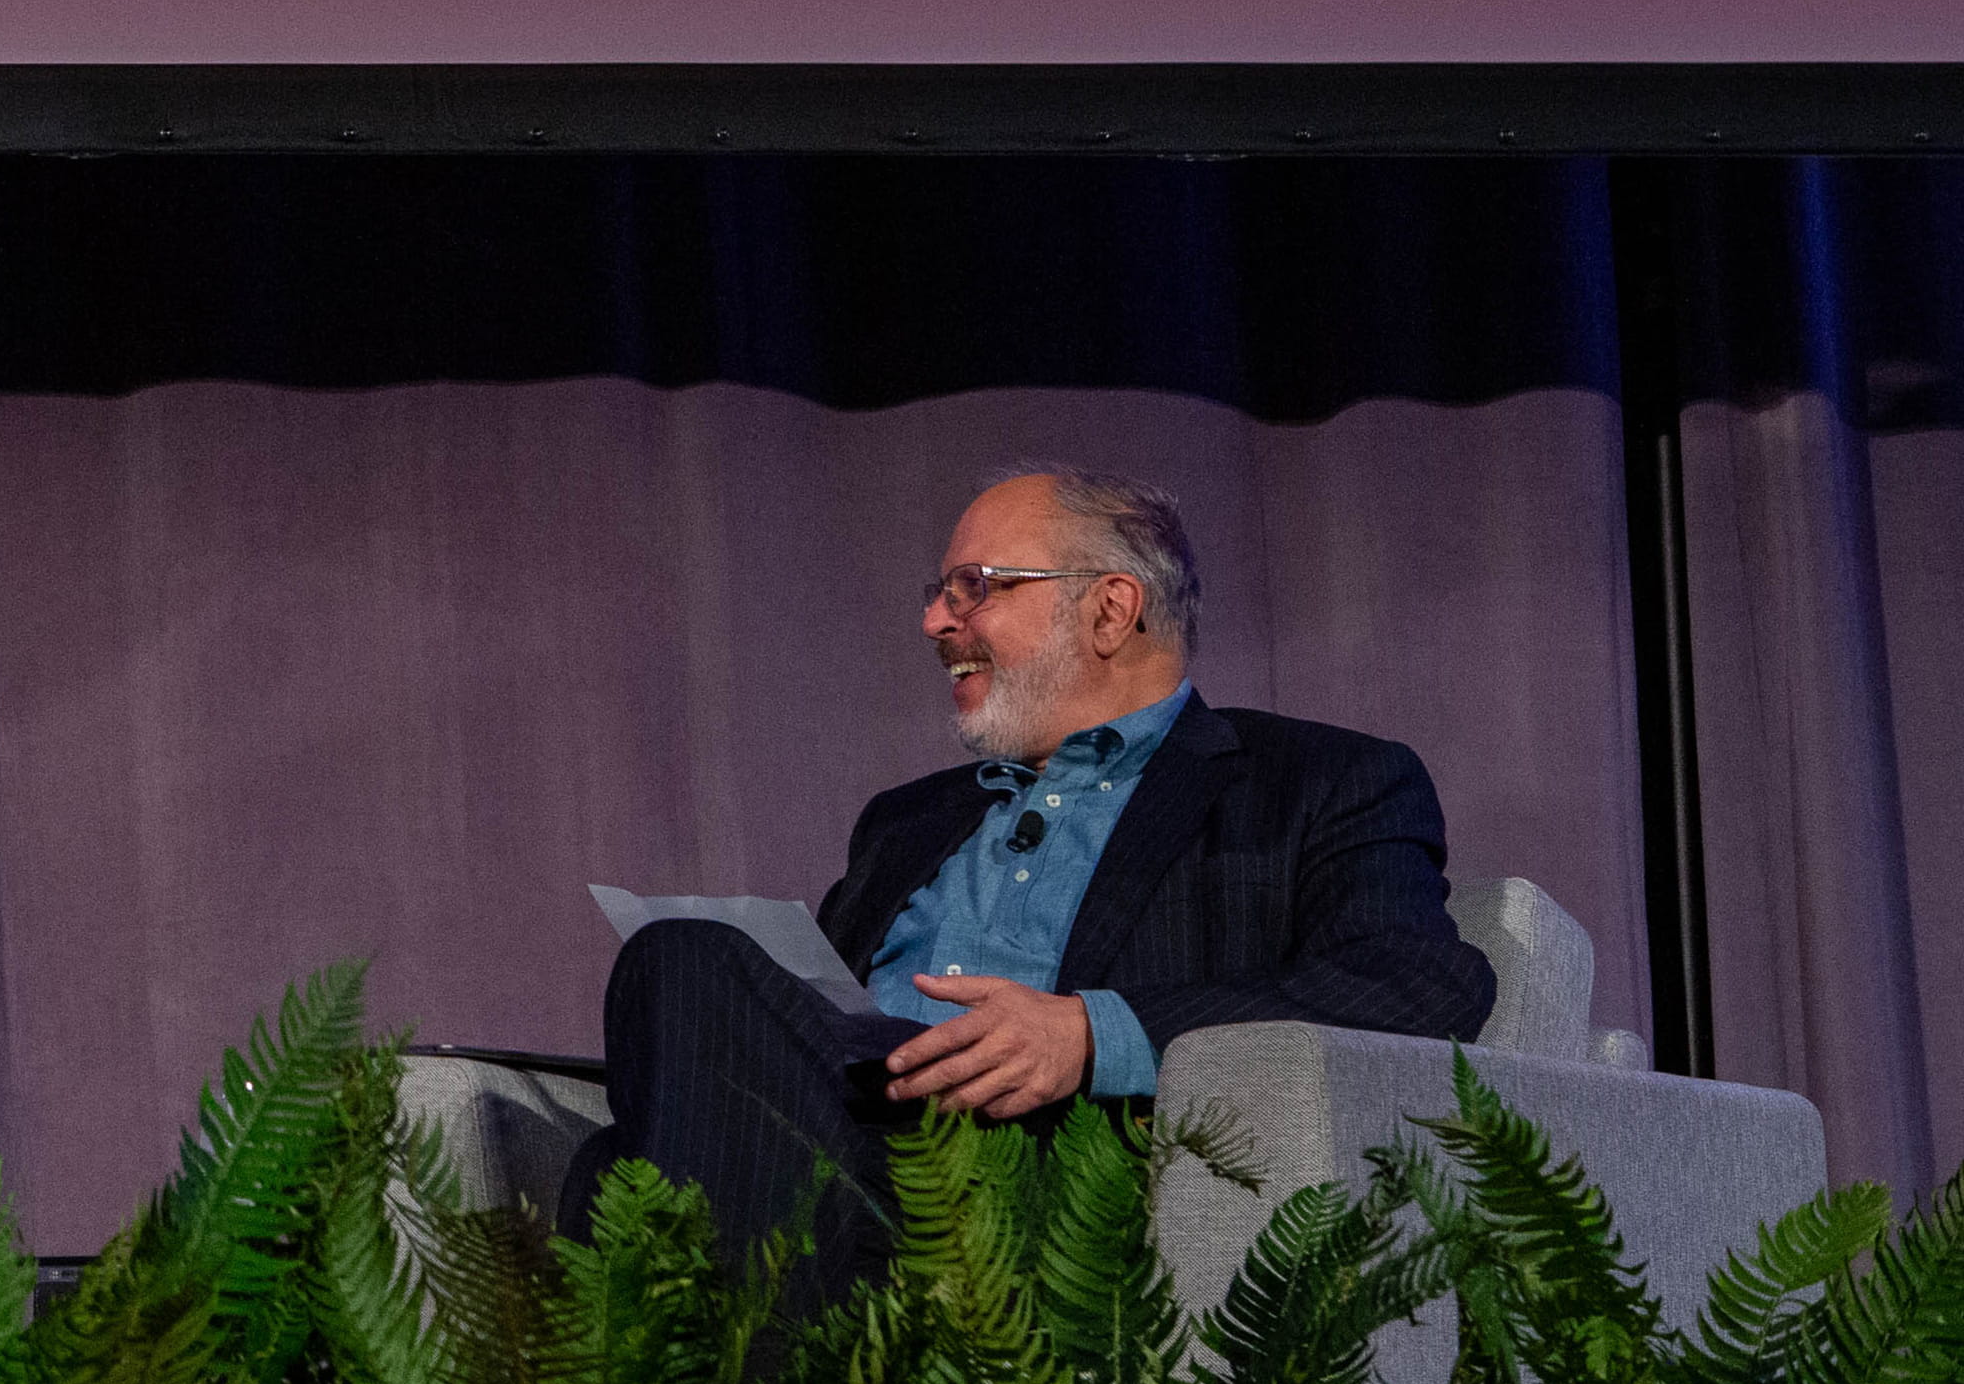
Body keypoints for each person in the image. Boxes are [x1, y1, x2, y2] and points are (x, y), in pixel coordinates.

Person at [562, 465, 1492, 1282]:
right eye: (940, 591)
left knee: (679, 968)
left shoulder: (1316, 782)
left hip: (1048, 1183)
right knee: (656, 1066)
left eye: (975, 587)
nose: (935, 620)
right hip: (841, 1139)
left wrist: (1092, 1034)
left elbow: (1418, 984)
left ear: (1109, 608)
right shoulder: (908, 818)